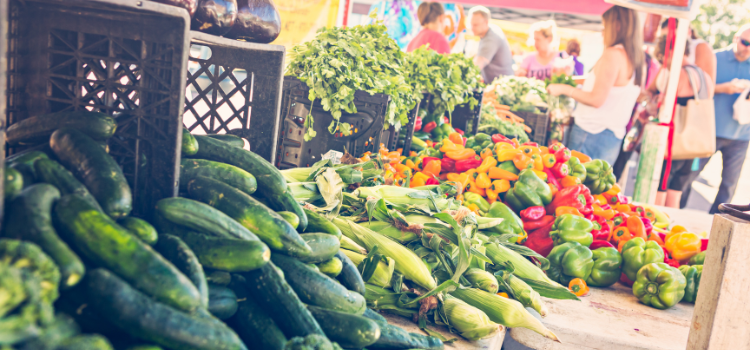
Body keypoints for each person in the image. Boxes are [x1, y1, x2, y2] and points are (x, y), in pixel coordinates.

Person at [547, 6, 644, 165]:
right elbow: (603, 82)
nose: (602, 32)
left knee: (575, 185)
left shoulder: (613, 54)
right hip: (611, 135)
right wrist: (571, 80)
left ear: (617, 25)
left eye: (605, 27)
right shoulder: (635, 57)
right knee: (596, 188)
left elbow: (596, 99)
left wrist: (564, 89)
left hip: (591, 133)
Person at [685, 24, 750, 214]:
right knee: (689, 175)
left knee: (729, 185)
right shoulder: (714, 58)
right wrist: (724, 88)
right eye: (745, 42)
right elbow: (697, 89)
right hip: (709, 131)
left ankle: (717, 221)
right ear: (735, 39)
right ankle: (678, 213)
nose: (748, 47)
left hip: (741, 136)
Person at [649, 36, 715, 208]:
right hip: (693, 145)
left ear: (671, 52)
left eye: (662, 57)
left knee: (660, 190)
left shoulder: (679, 74)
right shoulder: (704, 75)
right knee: (675, 193)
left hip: (673, 143)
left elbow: (663, 105)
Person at [468, 6, 514, 83]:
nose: (472, 28)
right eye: (471, 24)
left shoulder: (490, 39)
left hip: (501, 87)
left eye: (475, 25)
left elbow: (477, 65)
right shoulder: (493, 29)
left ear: (486, 22)